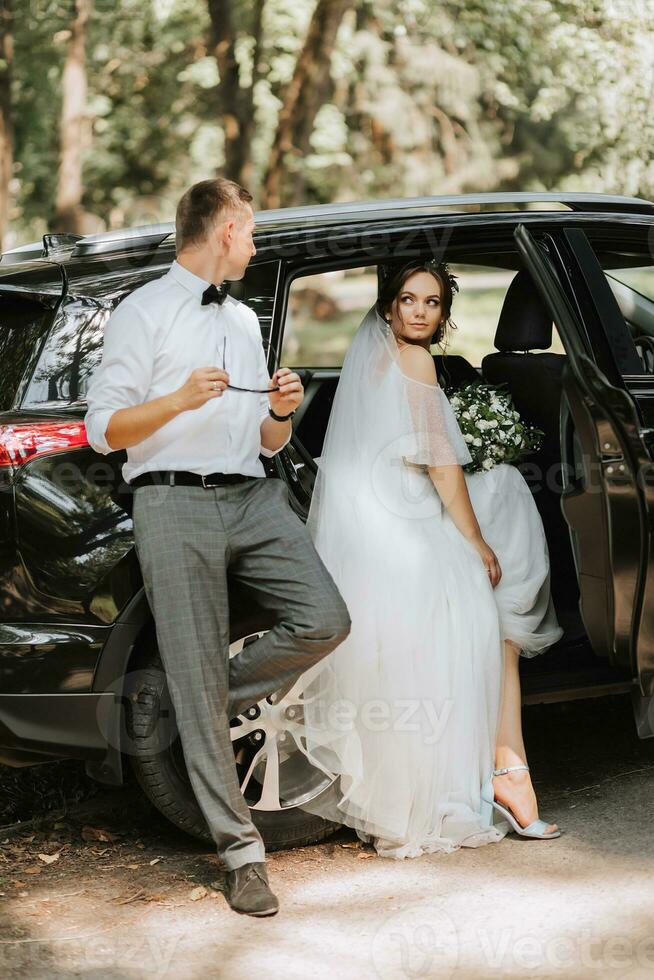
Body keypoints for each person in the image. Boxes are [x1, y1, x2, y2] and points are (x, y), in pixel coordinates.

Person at [83, 177, 352, 914]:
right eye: (252, 231)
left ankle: (192, 704)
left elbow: (264, 440)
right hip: (171, 502)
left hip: (253, 495)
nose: (256, 245)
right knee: (195, 666)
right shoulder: (142, 311)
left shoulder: (241, 315)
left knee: (325, 618)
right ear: (224, 227)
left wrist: (280, 413)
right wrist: (177, 400)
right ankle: (241, 854)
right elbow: (101, 429)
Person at [294, 258, 564, 859]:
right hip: (410, 526)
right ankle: (506, 773)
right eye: (409, 300)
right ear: (389, 306)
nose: (419, 311)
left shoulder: (371, 359)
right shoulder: (414, 360)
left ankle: (459, 783)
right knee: (493, 608)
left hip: (372, 531)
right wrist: (476, 543)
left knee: (453, 642)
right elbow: (441, 463)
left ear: (443, 314)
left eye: (432, 302)